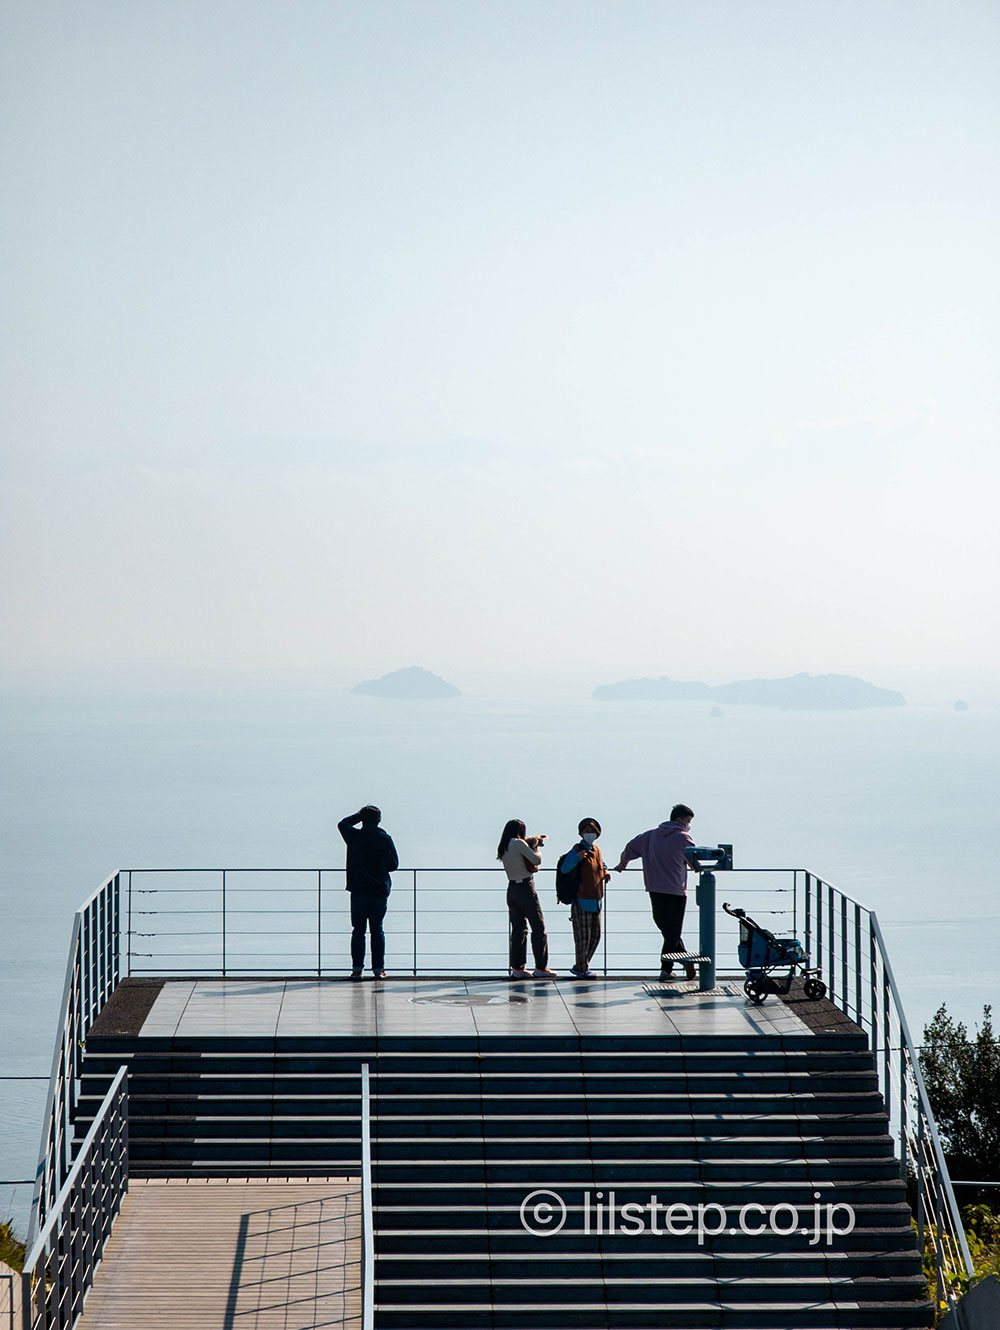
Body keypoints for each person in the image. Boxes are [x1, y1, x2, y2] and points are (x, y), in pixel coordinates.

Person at [613, 804, 697, 980]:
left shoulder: (649, 836)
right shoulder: (683, 837)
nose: (688, 825)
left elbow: (629, 848)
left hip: (655, 888)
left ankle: (668, 968)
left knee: (667, 929)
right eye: (688, 821)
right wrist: (698, 868)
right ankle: (679, 964)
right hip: (676, 890)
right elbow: (694, 859)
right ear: (680, 819)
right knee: (672, 932)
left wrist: (623, 864)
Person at [338, 805, 399, 979]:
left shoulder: (354, 837)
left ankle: (357, 969)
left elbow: (343, 824)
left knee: (358, 930)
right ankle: (378, 970)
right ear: (379, 820)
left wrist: (358, 816)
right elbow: (394, 864)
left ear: (362, 820)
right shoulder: (384, 838)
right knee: (377, 930)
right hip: (379, 889)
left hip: (358, 889)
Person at [497, 819, 557, 979]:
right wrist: (537, 847)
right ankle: (541, 968)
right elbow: (536, 860)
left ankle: (518, 968)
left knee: (518, 930)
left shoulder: (504, 845)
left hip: (512, 889)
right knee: (538, 927)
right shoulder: (518, 843)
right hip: (525, 887)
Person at [558, 817, 609, 978]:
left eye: (592, 831)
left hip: (596, 901)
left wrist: (605, 872)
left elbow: (601, 864)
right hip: (581, 900)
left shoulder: (596, 850)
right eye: (586, 831)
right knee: (582, 938)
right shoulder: (578, 849)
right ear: (580, 833)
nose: (590, 834)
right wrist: (577, 857)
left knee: (595, 936)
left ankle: (581, 965)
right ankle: (581, 968)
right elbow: (565, 868)